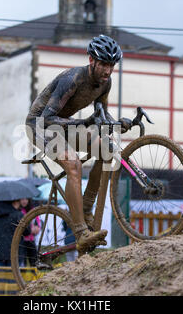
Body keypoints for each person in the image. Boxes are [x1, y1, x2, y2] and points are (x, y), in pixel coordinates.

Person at [25, 35, 132, 255]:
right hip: (39, 125)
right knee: (73, 165)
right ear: (91, 60)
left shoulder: (105, 83)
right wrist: (84, 122)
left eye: (111, 66)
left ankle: (85, 207)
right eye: (103, 64)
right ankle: (81, 231)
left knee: (106, 151)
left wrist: (119, 123)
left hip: (64, 125)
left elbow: (101, 115)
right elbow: (46, 119)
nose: (107, 71)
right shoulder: (72, 79)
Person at [0, 200, 28, 267]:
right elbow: (27, 232)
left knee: (0, 276)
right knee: (13, 276)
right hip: (15, 252)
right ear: (14, 202)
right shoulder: (18, 214)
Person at [19, 198, 41, 266]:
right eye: (22, 199)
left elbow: (38, 226)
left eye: (26, 199)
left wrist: (34, 229)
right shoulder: (18, 211)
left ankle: (34, 276)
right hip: (21, 241)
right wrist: (31, 229)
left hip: (31, 241)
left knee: (34, 263)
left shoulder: (32, 210)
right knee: (23, 264)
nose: (24, 201)